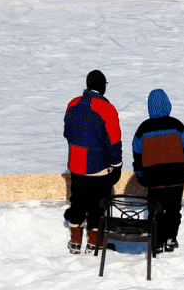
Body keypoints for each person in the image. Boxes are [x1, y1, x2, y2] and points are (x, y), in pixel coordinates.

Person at [132, 88, 184, 252]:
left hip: (154, 179)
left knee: (156, 211)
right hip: (176, 177)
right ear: (168, 105)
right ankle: (170, 238)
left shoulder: (143, 129)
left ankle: (157, 241)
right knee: (174, 210)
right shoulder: (177, 125)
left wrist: (140, 174)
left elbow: (137, 153)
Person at [62, 71, 122, 254]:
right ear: (103, 86)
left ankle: (75, 241)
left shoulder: (72, 103)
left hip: (76, 163)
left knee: (78, 201)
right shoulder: (107, 108)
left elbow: (67, 132)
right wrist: (117, 165)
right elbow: (114, 141)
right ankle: (95, 242)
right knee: (98, 205)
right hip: (99, 167)